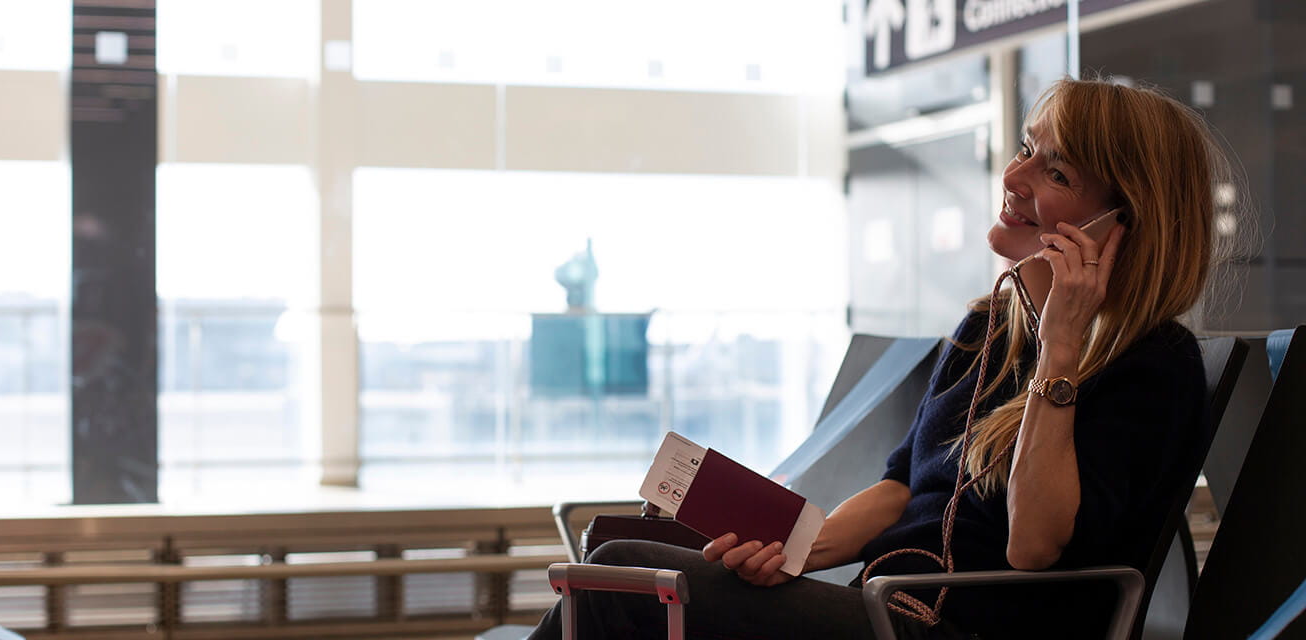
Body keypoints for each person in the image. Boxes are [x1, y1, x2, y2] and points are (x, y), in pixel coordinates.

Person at [527, 77, 1243, 639]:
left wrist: (1060, 350)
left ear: (1121, 223)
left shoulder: (1152, 364)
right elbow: (903, 487)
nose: (1015, 177)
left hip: (961, 627)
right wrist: (797, 551)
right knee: (627, 567)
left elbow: (1032, 548)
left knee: (617, 577)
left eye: (1055, 171)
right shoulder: (986, 331)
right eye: (1026, 148)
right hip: (885, 606)